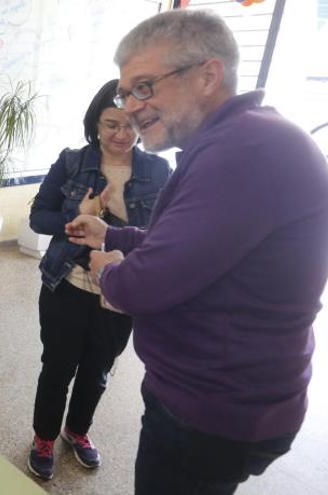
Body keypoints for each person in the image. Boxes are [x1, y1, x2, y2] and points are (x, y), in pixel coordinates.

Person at [65, 10, 328, 493]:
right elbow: (187, 249)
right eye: (126, 93)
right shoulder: (243, 139)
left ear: (209, 75)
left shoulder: (244, 152)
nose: (133, 108)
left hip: (212, 410)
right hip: (222, 396)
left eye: (144, 87)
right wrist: (113, 236)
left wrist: (107, 272)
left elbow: (145, 283)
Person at [26, 79, 170, 480]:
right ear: (95, 124)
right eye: (111, 124)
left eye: (130, 124)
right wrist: (78, 215)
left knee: (98, 368)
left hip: (121, 293)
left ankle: (78, 430)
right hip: (67, 285)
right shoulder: (72, 162)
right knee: (57, 365)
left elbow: (163, 234)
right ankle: (43, 436)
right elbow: (39, 217)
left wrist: (118, 222)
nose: (122, 134)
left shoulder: (159, 171)